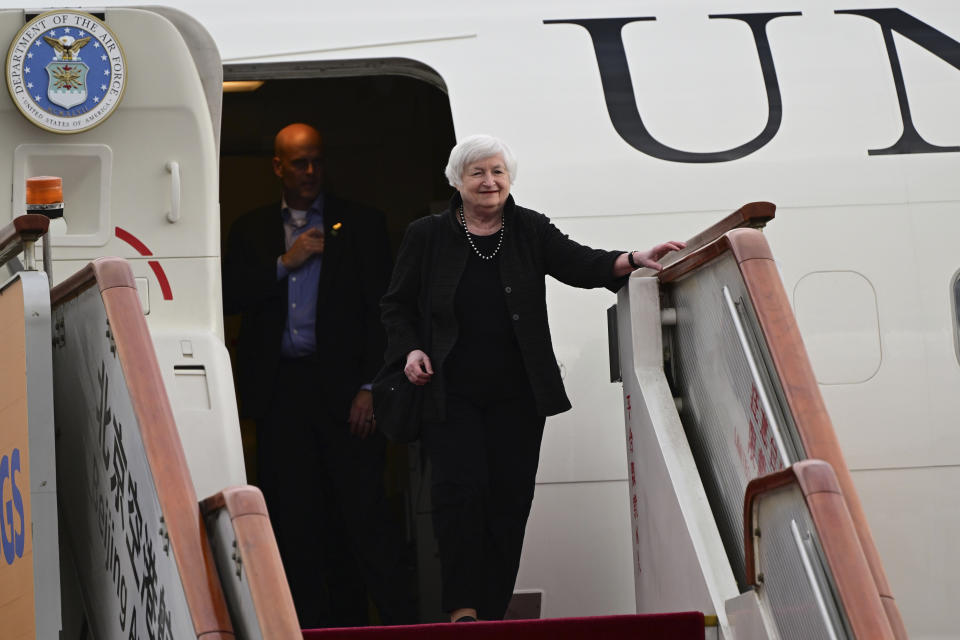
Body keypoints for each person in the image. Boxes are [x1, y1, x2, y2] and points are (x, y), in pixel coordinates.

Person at [380, 134, 685, 623]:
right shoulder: (427, 235)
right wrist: (411, 349)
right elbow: (395, 305)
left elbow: (580, 262)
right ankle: (462, 607)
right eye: (477, 172)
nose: (489, 181)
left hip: (517, 395)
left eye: (498, 171)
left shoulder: (528, 229)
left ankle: (493, 611)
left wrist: (632, 259)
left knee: (508, 501)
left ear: (510, 179)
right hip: (449, 393)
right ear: (457, 180)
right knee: (460, 496)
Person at [223, 123, 414, 627]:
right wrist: (284, 263)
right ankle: (300, 628)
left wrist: (372, 388)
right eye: (299, 162)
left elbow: (385, 312)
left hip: (348, 391)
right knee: (292, 521)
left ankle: (400, 624)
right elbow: (228, 296)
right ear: (278, 167)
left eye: (317, 161)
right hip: (281, 394)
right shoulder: (250, 228)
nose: (310, 172)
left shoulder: (363, 223)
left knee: (364, 517)